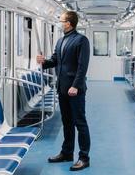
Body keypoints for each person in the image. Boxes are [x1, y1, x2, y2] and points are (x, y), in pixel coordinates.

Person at [36, 11, 90, 171]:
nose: (60, 23)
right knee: (66, 122)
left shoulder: (81, 40)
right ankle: (67, 153)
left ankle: (84, 157)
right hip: (62, 88)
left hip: (75, 90)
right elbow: (55, 60)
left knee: (80, 123)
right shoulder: (60, 41)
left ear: (69, 23)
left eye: (62, 21)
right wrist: (43, 62)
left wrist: (75, 85)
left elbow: (82, 66)